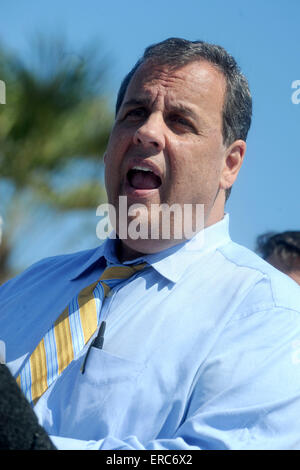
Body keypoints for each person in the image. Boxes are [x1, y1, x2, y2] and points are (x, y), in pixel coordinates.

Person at [1, 37, 300, 450]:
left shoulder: (271, 315)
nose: (147, 131)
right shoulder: (22, 291)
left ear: (229, 164)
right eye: (135, 113)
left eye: (179, 121)